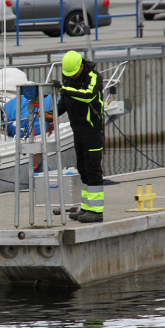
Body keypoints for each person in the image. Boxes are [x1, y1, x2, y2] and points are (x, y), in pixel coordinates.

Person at [55, 50, 104, 223]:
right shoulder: (69, 78)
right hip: (77, 130)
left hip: (92, 130)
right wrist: (51, 114)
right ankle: (86, 207)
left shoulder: (94, 77)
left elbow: (88, 96)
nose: (71, 77)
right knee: (82, 169)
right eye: (68, 75)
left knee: (93, 169)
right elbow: (65, 101)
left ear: (81, 66)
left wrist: (65, 90)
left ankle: (97, 211)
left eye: (73, 74)